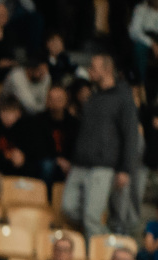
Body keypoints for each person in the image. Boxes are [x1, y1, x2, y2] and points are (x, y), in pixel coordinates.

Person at [63, 53, 138, 239]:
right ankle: (105, 239)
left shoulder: (123, 97)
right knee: (68, 207)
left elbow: (130, 135)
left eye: (93, 68)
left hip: (103, 166)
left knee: (91, 218)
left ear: (107, 70)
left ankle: (103, 251)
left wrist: (125, 169)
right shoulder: (93, 97)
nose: (89, 71)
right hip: (80, 164)